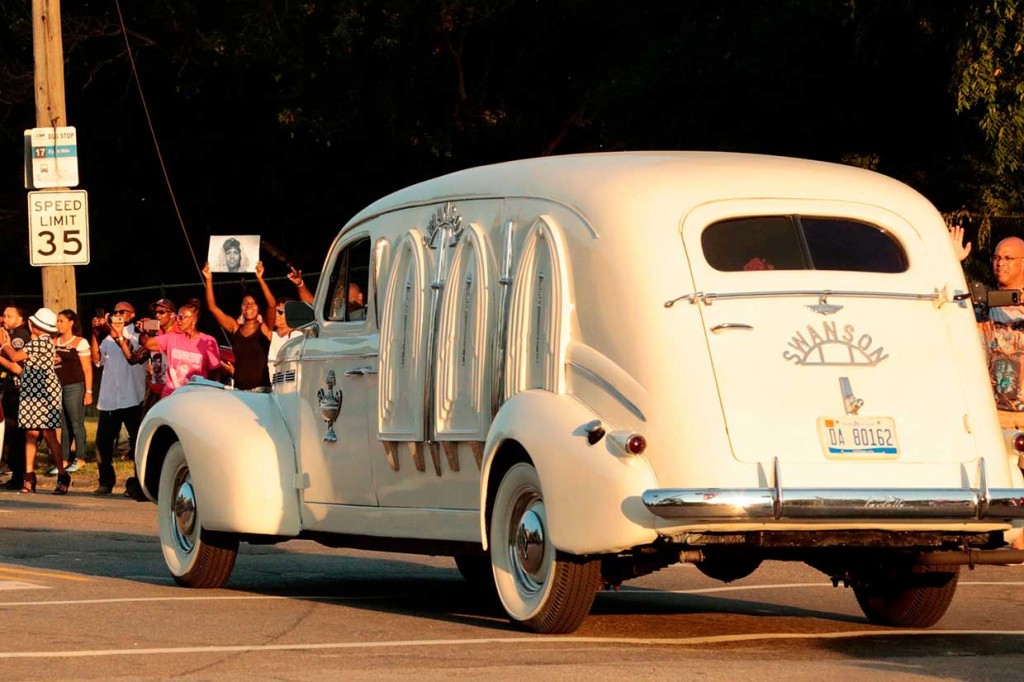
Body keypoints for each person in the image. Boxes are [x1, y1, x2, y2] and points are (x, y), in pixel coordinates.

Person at [0, 308, 68, 494]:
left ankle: (62, 474)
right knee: (31, 434)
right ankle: (28, 477)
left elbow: (15, 357)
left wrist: (3, 343)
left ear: (35, 326)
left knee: (49, 434)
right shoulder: (38, 342)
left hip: (45, 393)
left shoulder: (42, 342)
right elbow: (18, 364)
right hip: (31, 392)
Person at [90, 302, 146, 496]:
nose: (118, 315)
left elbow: (132, 354)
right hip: (110, 399)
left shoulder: (139, 336)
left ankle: (139, 483)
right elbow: (96, 360)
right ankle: (106, 482)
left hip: (132, 398)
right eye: (115, 312)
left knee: (137, 444)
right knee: (103, 444)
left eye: (122, 312)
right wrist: (96, 334)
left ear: (132, 314)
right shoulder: (107, 338)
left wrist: (117, 335)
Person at [203, 261, 275, 390]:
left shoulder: (265, 328)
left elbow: (272, 305)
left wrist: (260, 279)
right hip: (238, 390)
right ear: (241, 308)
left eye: (253, 303)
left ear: (258, 308)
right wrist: (208, 279)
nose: (248, 305)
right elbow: (213, 308)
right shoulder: (235, 328)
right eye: (245, 303)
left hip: (261, 390)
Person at [139, 299, 221, 396]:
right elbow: (147, 344)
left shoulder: (207, 341)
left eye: (181, 317)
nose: (178, 320)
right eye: (177, 317)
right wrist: (143, 332)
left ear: (193, 318)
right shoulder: (172, 337)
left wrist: (209, 392)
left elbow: (215, 372)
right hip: (170, 395)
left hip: (195, 395)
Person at [51, 309, 92, 474]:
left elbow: (87, 368)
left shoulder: (79, 342)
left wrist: (88, 391)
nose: (58, 324)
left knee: (76, 423)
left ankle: (80, 458)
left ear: (71, 322)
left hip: (75, 386)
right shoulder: (54, 341)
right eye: (57, 321)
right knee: (64, 425)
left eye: (62, 321)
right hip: (58, 387)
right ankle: (64, 459)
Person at [0, 306, 31, 492]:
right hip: (9, 390)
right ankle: (15, 474)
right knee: (11, 436)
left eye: (9, 316)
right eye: (4, 315)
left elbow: (17, 367)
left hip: (17, 392)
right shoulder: (9, 335)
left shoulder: (19, 337)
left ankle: (19, 477)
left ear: (21, 318)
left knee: (17, 436)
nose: (4, 318)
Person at [139, 298, 179, 414]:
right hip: (155, 388)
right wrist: (143, 331)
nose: (157, 315)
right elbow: (144, 345)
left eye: (161, 312)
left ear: (172, 315)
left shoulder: (179, 333)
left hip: (173, 390)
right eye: (155, 312)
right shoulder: (156, 332)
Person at [268, 297, 303, 377]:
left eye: (280, 312)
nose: (276, 315)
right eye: (274, 311)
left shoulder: (297, 333)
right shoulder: (269, 333)